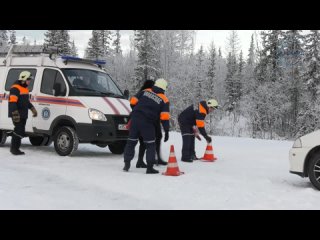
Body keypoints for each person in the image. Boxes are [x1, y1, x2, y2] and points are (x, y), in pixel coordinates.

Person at [123, 78, 170, 174]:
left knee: (131, 142)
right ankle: (149, 168)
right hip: (148, 123)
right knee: (150, 144)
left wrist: (137, 109)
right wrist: (167, 131)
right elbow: (164, 117)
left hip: (135, 120)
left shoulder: (145, 91)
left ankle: (127, 164)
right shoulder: (164, 100)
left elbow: (132, 101)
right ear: (164, 88)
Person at [8, 71, 38, 155]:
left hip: (23, 114)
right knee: (19, 130)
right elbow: (12, 102)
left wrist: (32, 108)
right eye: (28, 80)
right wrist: (15, 113)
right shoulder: (15, 88)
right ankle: (14, 149)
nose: (29, 81)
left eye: (30, 80)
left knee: (20, 131)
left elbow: (26, 102)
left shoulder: (25, 89)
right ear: (23, 79)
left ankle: (15, 148)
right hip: (17, 114)